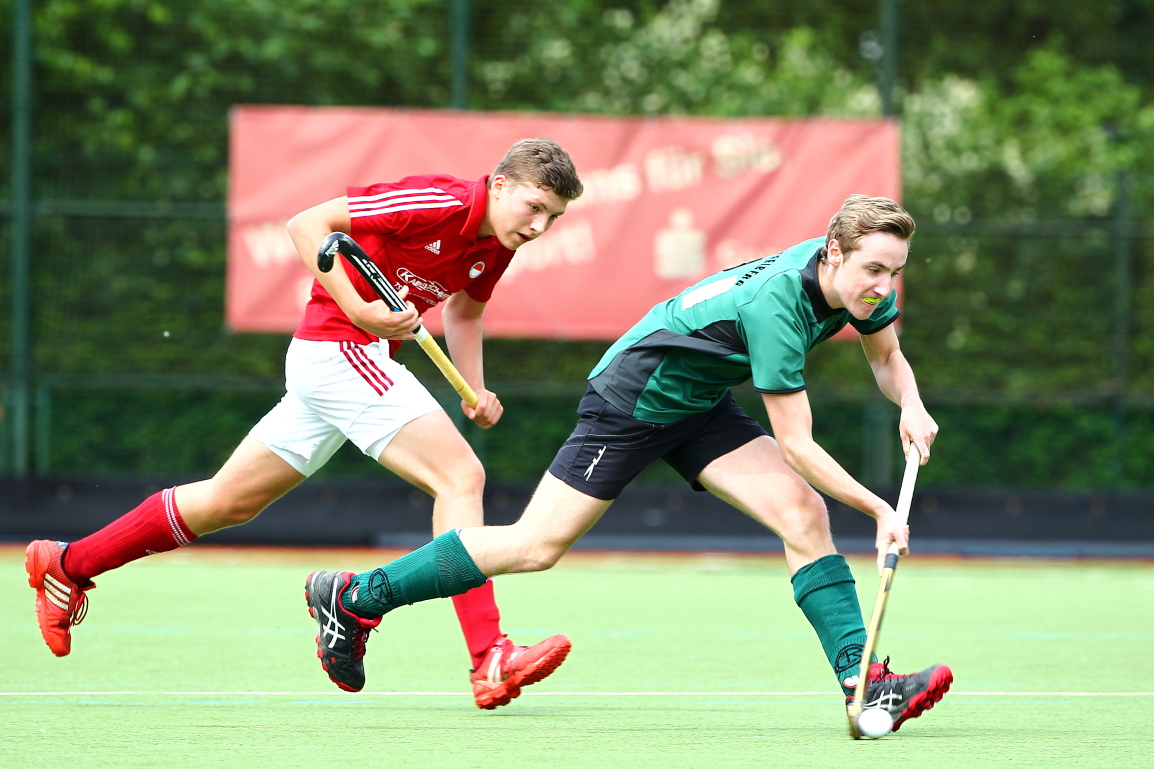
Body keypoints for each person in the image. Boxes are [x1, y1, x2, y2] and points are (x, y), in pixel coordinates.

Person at [304, 194, 953, 729]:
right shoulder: (778, 306)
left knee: (801, 513)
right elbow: (797, 445)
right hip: (633, 397)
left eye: (894, 272)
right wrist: (878, 509)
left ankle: (863, 681)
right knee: (535, 545)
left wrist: (912, 402)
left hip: (697, 401)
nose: (883, 286)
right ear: (833, 251)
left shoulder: (860, 286)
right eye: (874, 269)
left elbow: (886, 356)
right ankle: (356, 597)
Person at [26, 137, 584, 710]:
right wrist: (359, 309)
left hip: (346, 361)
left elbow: (465, 311)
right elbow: (307, 225)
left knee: (226, 501)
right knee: (460, 477)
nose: (539, 226)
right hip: (340, 349)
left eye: (553, 217)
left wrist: (474, 386)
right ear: (500, 186)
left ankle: (67, 564)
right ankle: (488, 653)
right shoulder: (437, 201)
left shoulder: (497, 243)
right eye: (534, 208)